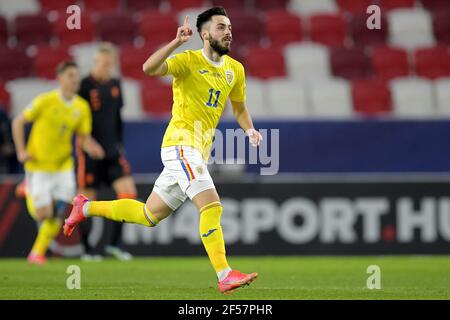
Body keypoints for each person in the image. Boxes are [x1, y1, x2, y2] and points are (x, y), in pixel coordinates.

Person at [64, 7, 262, 293]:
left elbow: (240, 109)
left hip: (197, 151)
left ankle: (85, 207)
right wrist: (177, 42)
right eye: (221, 27)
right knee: (212, 205)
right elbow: (148, 68)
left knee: (148, 215)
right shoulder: (187, 60)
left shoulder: (235, 70)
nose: (228, 31)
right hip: (180, 145)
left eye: (229, 26)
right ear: (204, 34)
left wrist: (250, 129)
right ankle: (224, 274)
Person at [12, 61, 104, 264]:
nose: (75, 80)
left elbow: (83, 138)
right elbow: (18, 121)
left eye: (77, 76)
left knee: (61, 211)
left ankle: (37, 253)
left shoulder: (81, 107)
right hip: (39, 166)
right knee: (43, 213)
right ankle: (28, 189)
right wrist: (21, 151)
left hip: (63, 166)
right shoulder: (45, 101)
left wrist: (93, 147)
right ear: (60, 77)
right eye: (71, 75)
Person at [77, 43, 136, 261]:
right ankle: (87, 249)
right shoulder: (83, 86)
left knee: (128, 193)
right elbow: (77, 122)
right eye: (104, 64)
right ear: (95, 62)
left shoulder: (116, 84)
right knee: (85, 201)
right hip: (90, 153)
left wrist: (119, 144)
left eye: (111, 64)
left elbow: (117, 117)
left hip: (113, 151)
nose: (107, 68)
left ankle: (114, 244)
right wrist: (87, 143)